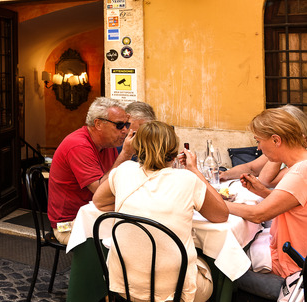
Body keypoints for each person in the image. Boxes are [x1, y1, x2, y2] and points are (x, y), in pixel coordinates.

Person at [93, 121, 228, 302]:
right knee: (213, 268)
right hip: (174, 293)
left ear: (137, 147)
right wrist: (194, 169)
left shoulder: (124, 171)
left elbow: (99, 202)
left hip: (124, 285)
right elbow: (221, 215)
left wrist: (137, 205)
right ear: (174, 151)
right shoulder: (187, 179)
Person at [226, 109, 307, 290]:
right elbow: (293, 205)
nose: (258, 148)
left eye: (258, 141)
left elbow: (258, 214)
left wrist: (216, 203)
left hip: (293, 263)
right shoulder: (301, 166)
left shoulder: (300, 172)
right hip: (292, 254)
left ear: (276, 140)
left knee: (224, 268)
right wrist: (263, 192)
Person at [47, 97, 135, 244]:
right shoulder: (78, 145)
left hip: (97, 214)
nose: (125, 130)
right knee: (126, 239)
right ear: (98, 124)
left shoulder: (108, 145)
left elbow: (117, 179)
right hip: (68, 224)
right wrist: (126, 154)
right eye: (119, 125)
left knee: (135, 231)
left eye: (126, 124)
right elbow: (101, 190)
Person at [220, 104, 307, 186]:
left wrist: (280, 146)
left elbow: (266, 181)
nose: (258, 148)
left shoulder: (301, 161)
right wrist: (226, 174)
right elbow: (251, 168)